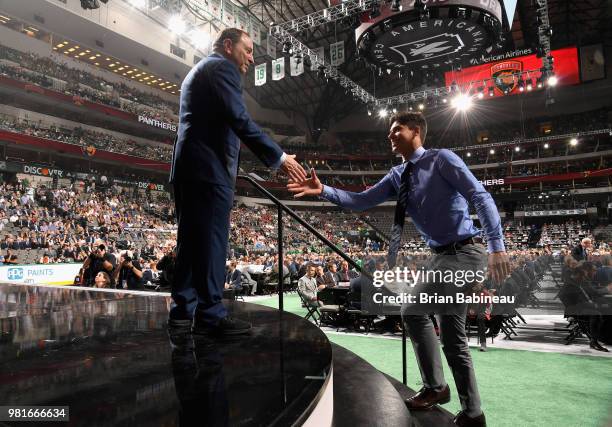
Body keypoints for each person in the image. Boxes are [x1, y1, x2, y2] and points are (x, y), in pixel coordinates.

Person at [288, 111, 510, 427]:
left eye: (396, 130)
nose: (390, 136)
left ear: (416, 131)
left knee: (433, 322)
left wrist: (496, 246)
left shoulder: (441, 159)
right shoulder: (397, 175)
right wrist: (323, 190)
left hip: (466, 252)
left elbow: (480, 196)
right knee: (431, 322)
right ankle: (456, 400)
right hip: (440, 256)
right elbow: (361, 200)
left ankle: (456, 400)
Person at [169, 28, 306, 336]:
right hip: (209, 170)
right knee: (212, 242)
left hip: (190, 169)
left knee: (191, 243)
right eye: (247, 49)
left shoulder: (201, 69)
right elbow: (240, 119)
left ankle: (182, 311)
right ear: (228, 46)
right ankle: (211, 315)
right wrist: (280, 158)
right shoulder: (221, 67)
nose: (251, 57)